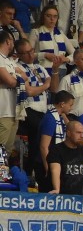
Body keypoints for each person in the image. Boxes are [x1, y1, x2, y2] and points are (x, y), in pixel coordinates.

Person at [15, 37, 52, 178]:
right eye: (26, 53)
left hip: (44, 109)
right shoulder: (17, 67)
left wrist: (52, 74)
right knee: (37, 142)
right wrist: (45, 85)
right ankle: (29, 173)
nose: (31, 55)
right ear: (19, 55)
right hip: (29, 109)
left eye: (31, 51)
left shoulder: (39, 67)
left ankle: (41, 172)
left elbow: (53, 86)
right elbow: (29, 91)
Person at [37, 90, 74, 192]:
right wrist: (48, 168)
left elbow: (71, 126)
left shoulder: (59, 116)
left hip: (55, 163)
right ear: (62, 104)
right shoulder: (50, 119)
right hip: (47, 164)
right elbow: (44, 146)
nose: (71, 108)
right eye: (70, 105)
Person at [55, 48, 83, 118]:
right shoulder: (67, 80)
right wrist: (68, 123)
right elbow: (59, 105)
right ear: (75, 61)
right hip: (74, 120)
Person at [28, 5, 74, 72]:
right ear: (43, 17)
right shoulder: (35, 32)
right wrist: (45, 55)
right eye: (49, 16)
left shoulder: (60, 33)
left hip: (61, 70)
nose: (52, 19)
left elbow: (75, 54)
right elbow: (28, 54)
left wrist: (67, 59)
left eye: (55, 16)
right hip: (42, 70)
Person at [0, 30, 19, 154]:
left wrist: (14, 77)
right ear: (8, 41)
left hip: (13, 111)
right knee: (1, 151)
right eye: (12, 40)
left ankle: (4, 174)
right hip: (2, 112)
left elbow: (25, 77)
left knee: (7, 152)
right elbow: (10, 82)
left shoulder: (9, 61)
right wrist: (15, 78)